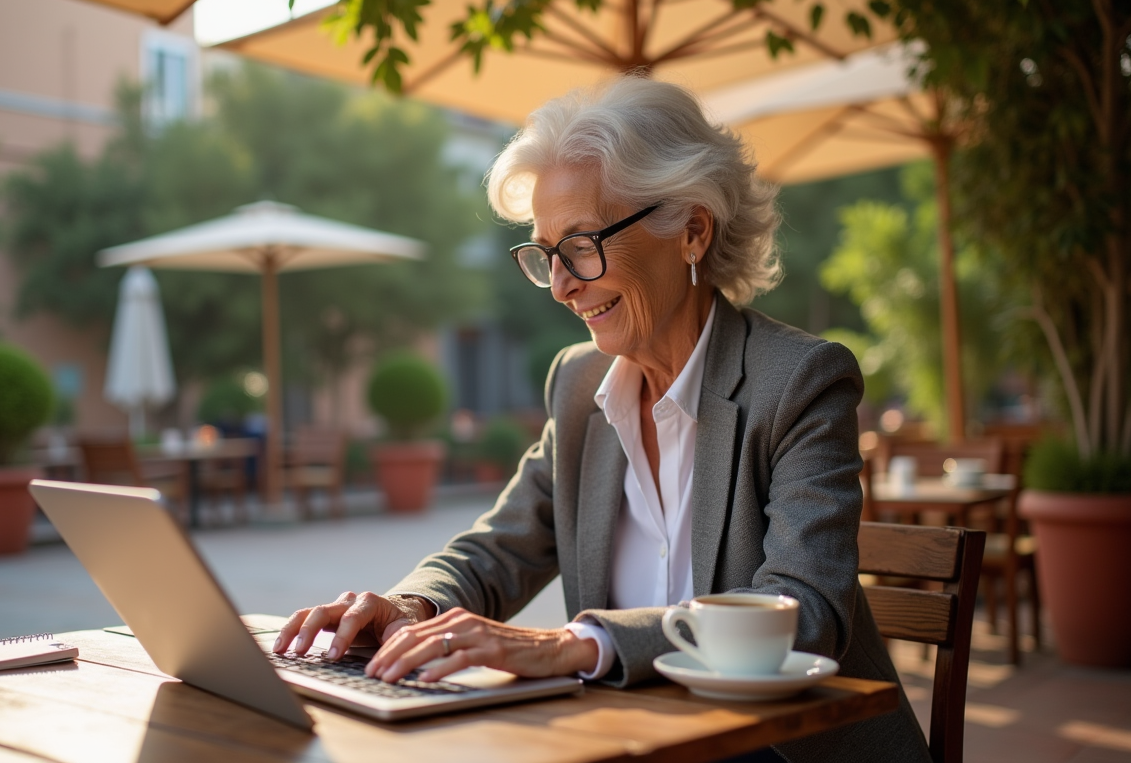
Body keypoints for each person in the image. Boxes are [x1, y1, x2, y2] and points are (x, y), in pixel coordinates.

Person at [273, 76, 931, 763]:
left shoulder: (798, 381)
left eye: (583, 245)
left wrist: (573, 645)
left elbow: (803, 613)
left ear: (691, 231)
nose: (561, 284)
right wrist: (409, 607)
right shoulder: (579, 384)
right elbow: (502, 546)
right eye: (547, 254)